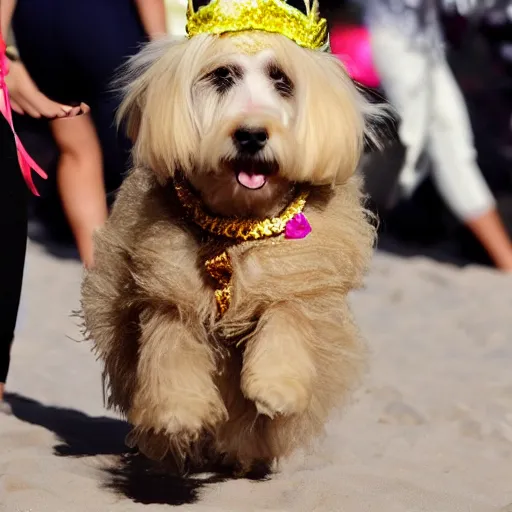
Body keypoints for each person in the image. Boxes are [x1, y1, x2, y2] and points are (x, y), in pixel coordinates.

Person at [3, 0, 166, 268]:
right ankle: (153, 267)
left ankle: (99, 274)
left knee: (76, 150)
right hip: (100, 19)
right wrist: (160, 47)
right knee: (144, 150)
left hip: (37, 25)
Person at [361, 0, 512, 271]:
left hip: (426, 43)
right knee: (425, 148)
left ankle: (506, 261)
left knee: (445, 147)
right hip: (390, 39)